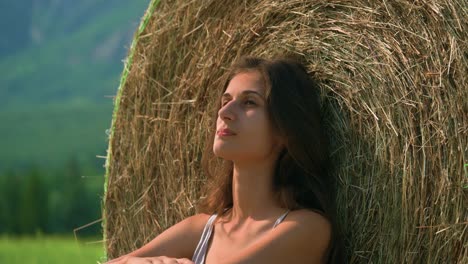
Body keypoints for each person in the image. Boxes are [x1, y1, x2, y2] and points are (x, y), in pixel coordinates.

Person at [106, 56, 343, 264]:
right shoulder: (201, 230)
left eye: (249, 102)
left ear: (285, 131)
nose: (224, 112)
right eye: (225, 100)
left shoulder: (307, 228)